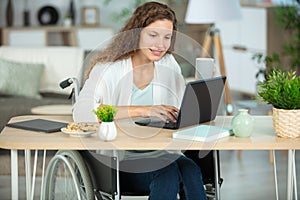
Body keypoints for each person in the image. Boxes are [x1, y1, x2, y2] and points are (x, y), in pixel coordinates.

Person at [73, 2, 207, 200]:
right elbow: (82, 112)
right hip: (119, 162)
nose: (160, 45)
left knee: (191, 170)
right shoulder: (109, 68)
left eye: (167, 37)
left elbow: (180, 109)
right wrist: (143, 110)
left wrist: (200, 97)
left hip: (163, 153)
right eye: (153, 35)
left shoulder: (168, 64)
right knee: (167, 172)